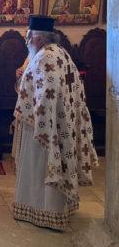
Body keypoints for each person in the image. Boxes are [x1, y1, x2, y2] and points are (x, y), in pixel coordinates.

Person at [13, 15, 98, 231]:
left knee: (39, 167)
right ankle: (56, 209)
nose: (27, 41)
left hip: (43, 124)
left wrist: (40, 120)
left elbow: (45, 95)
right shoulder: (61, 54)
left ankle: (41, 210)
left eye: (29, 37)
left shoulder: (44, 58)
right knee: (46, 166)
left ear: (38, 38)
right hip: (60, 122)